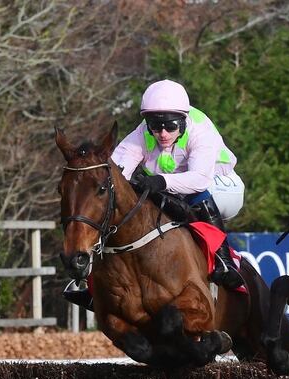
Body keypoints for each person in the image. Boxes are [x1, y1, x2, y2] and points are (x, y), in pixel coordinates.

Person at [64, 79, 245, 309]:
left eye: (170, 127)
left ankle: (225, 263)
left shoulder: (201, 131)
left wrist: (160, 181)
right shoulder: (143, 132)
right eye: (155, 126)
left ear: (183, 121)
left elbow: (199, 179)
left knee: (199, 195)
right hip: (169, 185)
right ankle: (95, 286)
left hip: (219, 182)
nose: (162, 133)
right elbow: (118, 170)